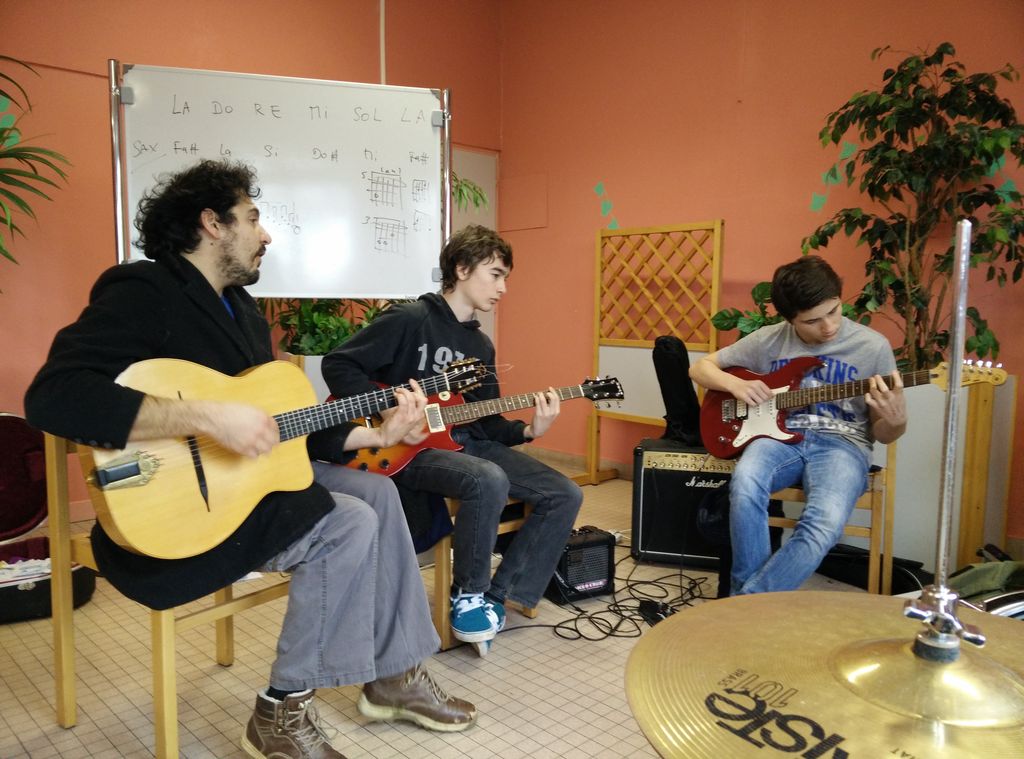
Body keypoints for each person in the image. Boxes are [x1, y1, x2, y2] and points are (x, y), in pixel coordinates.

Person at [24, 159, 476, 759]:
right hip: (181, 512)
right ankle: (281, 710)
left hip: (249, 488)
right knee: (347, 523)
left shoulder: (242, 309)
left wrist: (375, 434)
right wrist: (204, 417)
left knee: (379, 490)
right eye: (253, 218)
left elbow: (283, 429)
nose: (266, 235)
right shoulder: (142, 291)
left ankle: (393, 675)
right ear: (212, 224)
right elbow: (54, 396)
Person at [321, 224, 583, 650]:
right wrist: (388, 410)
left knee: (565, 493)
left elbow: (488, 422)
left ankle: (496, 598)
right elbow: (338, 365)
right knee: (486, 477)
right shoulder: (410, 319)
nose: (503, 288)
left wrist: (530, 430)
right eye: (495, 275)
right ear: (462, 269)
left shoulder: (481, 346)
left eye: (506, 278)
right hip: (407, 448)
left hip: (465, 443)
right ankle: (468, 595)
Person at [689, 255, 907, 595]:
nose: (829, 327)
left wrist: (897, 422)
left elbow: (884, 433)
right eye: (812, 321)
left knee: (824, 521)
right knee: (745, 483)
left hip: (844, 444)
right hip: (778, 438)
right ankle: (749, 608)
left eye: (834, 311)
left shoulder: (872, 347)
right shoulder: (769, 340)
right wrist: (736, 385)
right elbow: (700, 368)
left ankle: (744, 602)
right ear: (789, 319)